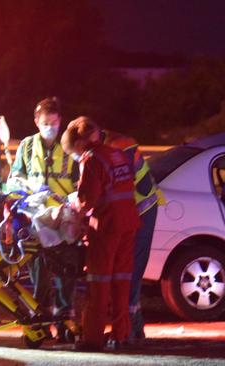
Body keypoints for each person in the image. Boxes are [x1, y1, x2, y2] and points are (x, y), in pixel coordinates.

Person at [61, 117, 140, 351]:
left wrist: (74, 206)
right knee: (121, 280)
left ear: (78, 144)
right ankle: (121, 334)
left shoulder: (91, 159)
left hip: (106, 226)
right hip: (128, 222)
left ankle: (92, 338)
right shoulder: (115, 153)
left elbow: (88, 200)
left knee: (99, 281)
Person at [8, 97, 79, 341]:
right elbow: (14, 180)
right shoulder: (27, 147)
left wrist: (72, 201)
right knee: (38, 270)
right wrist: (29, 186)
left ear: (61, 121)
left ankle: (63, 320)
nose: (50, 126)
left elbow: (82, 181)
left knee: (65, 270)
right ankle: (41, 316)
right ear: (36, 122)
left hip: (64, 217)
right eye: (45, 122)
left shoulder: (70, 145)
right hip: (36, 217)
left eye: (54, 121)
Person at [103, 132, 164, 344]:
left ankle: (129, 327)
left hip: (142, 211)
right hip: (139, 209)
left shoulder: (118, 148)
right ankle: (135, 326)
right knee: (130, 271)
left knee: (131, 271)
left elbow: (120, 184)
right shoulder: (113, 147)